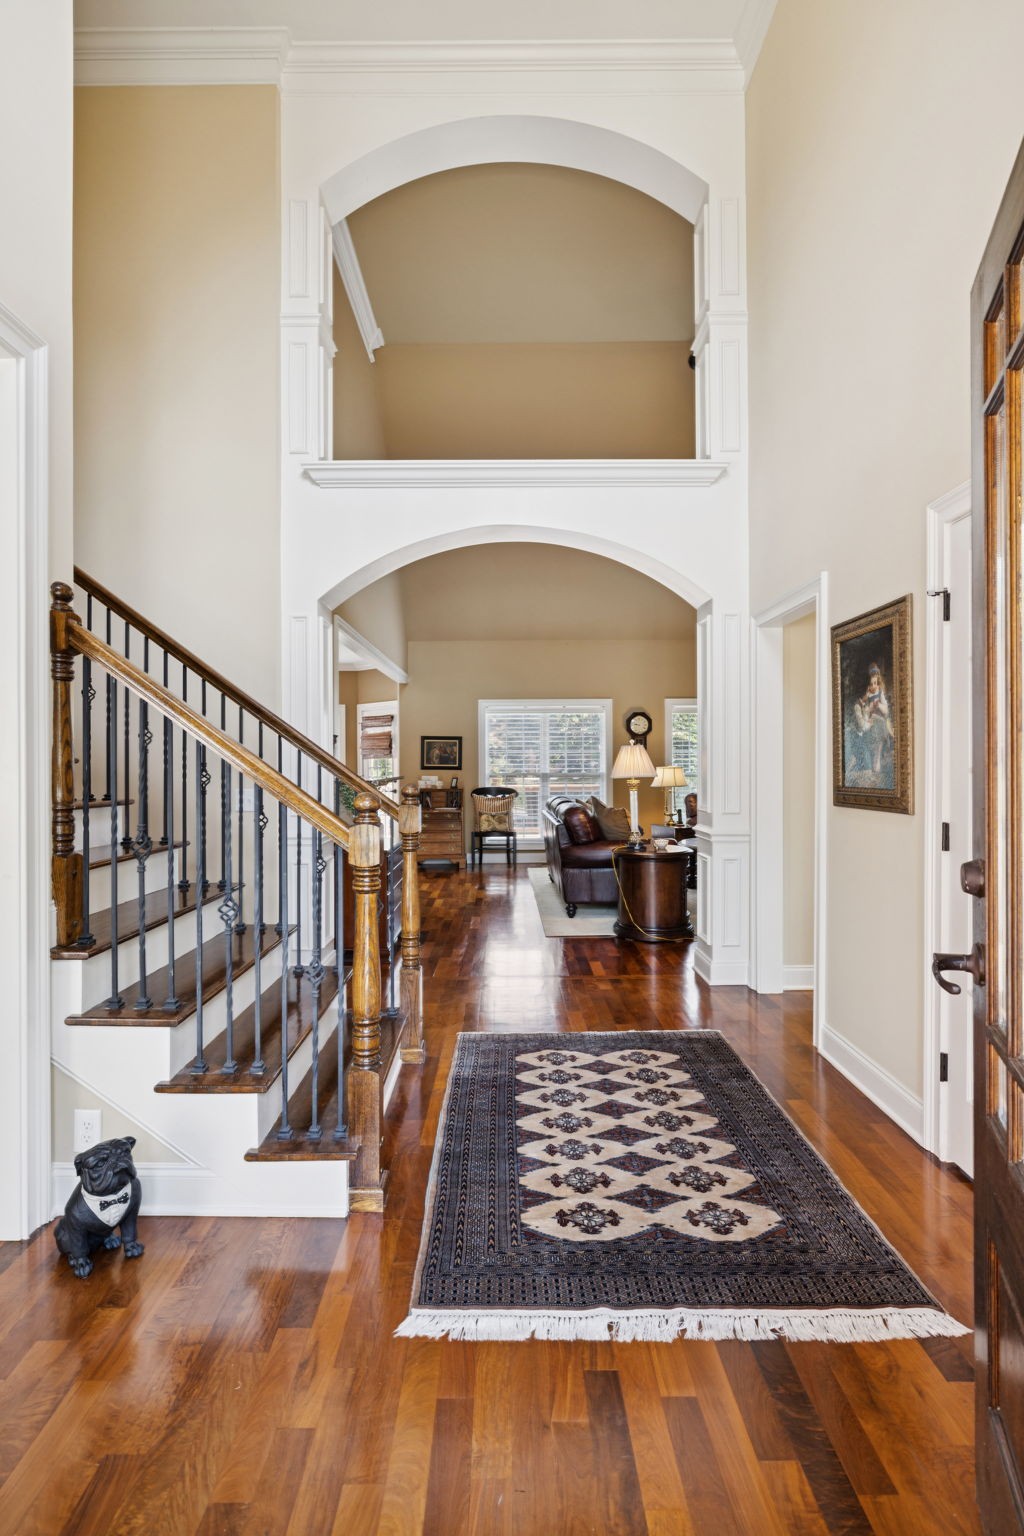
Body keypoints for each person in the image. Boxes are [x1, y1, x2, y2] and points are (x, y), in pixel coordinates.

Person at [851, 662, 894, 779]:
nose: (873, 686)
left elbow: (886, 710)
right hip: (871, 724)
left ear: (878, 683)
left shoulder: (880, 693)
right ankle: (874, 771)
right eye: (871, 684)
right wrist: (868, 708)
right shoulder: (868, 695)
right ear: (868, 686)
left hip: (879, 723)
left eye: (875, 683)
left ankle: (876, 770)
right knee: (873, 750)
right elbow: (864, 711)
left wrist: (878, 705)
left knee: (878, 750)